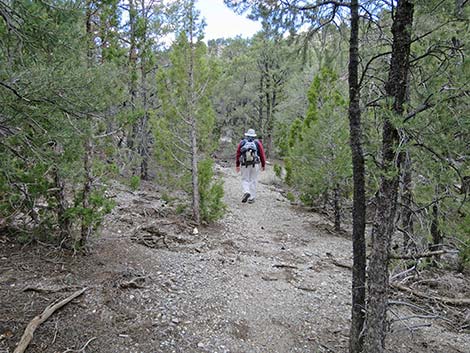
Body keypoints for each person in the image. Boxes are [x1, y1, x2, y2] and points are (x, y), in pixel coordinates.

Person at [235, 128, 266, 203]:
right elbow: (262, 154)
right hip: (255, 164)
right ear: (254, 136)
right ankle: (251, 198)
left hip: (244, 164)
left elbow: (238, 154)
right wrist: (263, 164)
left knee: (245, 179)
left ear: (247, 135)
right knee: (253, 180)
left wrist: (237, 165)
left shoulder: (242, 142)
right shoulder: (257, 143)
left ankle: (246, 191)